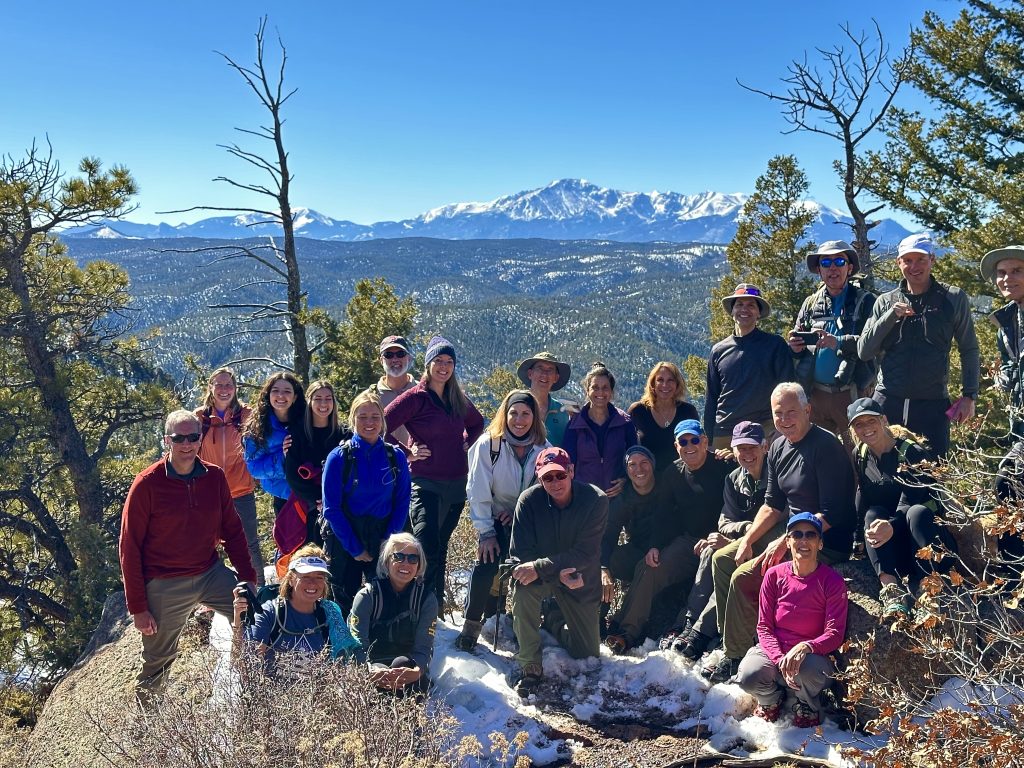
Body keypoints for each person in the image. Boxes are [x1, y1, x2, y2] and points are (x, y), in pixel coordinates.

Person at [704, 382, 856, 684]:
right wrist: (747, 540)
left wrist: (786, 540)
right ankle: (734, 641)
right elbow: (772, 504)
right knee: (723, 559)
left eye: (791, 412)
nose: (785, 419)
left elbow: (833, 513)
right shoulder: (778, 447)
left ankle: (737, 657)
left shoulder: (826, 447)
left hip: (823, 539)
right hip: (789, 531)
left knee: (743, 576)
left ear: (808, 410)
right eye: (778, 413)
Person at [120, 409, 258, 703]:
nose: (186, 444)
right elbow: (129, 546)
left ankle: (253, 692)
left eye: (193, 437)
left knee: (253, 614)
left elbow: (233, 530)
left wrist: (248, 578)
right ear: (166, 440)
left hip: (209, 573)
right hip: (165, 581)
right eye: (178, 438)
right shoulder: (147, 484)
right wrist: (138, 608)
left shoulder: (214, 477)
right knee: (158, 660)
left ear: (200, 439)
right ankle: (150, 729)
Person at [605, 420, 732, 653]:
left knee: (708, 573)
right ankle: (626, 631)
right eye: (683, 441)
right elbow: (664, 516)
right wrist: (655, 546)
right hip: (688, 542)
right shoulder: (674, 473)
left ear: (705, 441)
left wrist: (721, 537)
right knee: (650, 566)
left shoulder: (724, 467)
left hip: (720, 542)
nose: (689, 445)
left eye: (694, 440)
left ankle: (683, 630)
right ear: (676, 445)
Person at [384, 335, 485, 607]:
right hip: (425, 481)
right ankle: (415, 605)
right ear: (428, 364)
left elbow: (478, 423)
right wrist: (407, 452)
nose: (444, 366)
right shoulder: (416, 398)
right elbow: (381, 426)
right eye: (438, 361)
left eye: (449, 361)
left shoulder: (456, 397)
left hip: (456, 483)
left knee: (440, 547)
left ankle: (434, 607)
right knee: (424, 543)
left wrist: (468, 440)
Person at [858, 233, 979, 458]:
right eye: (908, 260)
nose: (914, 266)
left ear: (932, 259)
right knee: (883, 474)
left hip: (932, 404)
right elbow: (864, 351)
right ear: (899, 263)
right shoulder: (885, 301)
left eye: (921, 259)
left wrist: (969, 396)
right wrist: (890, 316)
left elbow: (969, 348)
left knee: (931, 478)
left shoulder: (952, 298)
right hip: (887, 402)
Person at [507, 447, 607, 697]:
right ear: (539, 478)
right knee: (522, 586)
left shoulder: (596, 499)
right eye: (547, 478)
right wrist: (550, 572)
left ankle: (552, 619)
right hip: (545, 577)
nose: (555, 483)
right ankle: (530, 663)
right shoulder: (528, 501)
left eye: (560, 475)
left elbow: (587, 553)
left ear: (571, 471)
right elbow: (520, 555)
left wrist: (546, 568)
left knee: (587, 653)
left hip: (578, 577)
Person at [667, 421, 769, 661]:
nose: (746, 454)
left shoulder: (775, 476)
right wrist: (743, 532)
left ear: (764, 447)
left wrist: (745, 535)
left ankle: (701, 632)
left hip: (765, 545)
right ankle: (688, 621)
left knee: (728, 564)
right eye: (740, 449)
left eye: (751, 447)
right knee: (712, 550)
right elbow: (725, 521)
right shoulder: (734, 478)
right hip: (745, 540)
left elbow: (773, 520)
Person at [456, 390, 549, 651]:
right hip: (495, 515)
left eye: (526, 414)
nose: (519, 420)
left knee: (525, 569)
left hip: (528, 519)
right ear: (504, 415)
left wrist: (521, 510)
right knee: (487, 562)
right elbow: (478, 490)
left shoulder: (544, 449)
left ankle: (524, 625)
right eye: (514, 413)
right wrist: (486, 532)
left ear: (535, 417)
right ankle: (471, 626)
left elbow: (546, 492)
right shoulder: (489, 445)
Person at [736, 512, 848, 729]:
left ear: (820, 544)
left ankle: (807, 703)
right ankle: (771, 699)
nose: (803, 541)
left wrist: (807, 646)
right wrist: (780, 660)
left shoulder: (832, 581)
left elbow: (835, 634)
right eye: (796, 535)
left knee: (809, 672)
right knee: (748, 675)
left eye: (810, 535)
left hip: (811, 658)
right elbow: (764, 627)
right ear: (788, 542)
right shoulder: (774, 575)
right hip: (775, 651)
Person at [848, 398, 957, 618]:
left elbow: (909, 501)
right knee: (873, 513)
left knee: (918, 512)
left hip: (928, 541)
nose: (866, 428)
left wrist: (890, 525)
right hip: (895, 547)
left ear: (884, 420)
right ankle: (893, 592)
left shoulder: (911, 453)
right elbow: (864, 497)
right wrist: (858, 539)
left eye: (872, 421)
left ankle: (928, 592)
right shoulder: (860, 455)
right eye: (859, 424)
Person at [321, 392, 411, 613]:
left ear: (383, 420)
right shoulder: (339, 457)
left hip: (383, 534)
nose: (369, 423)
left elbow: (402, 502)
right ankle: (342, 646)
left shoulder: (395, 456)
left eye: (374, 417)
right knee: (342, 599)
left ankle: (379, 645)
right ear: (352, 420)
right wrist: (355, 547)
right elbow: (331, 509)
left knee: (383, 597)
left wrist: (387, 542)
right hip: (345, 535)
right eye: (362, 417)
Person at [789, 241, 877, 454]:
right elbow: (796, 341)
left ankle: (858, 488)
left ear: (849, 268)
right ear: (819, 270)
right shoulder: (810, 304)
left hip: (852, 392)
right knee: (818, 454)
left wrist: (837, 342)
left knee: (857, 453)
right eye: (826, 262)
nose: (833, 268)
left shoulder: (865, 302)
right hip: (816, 394)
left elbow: (875, 344)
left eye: (839, 261)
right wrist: (795, 346)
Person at [231, 545, 361, 672]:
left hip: (320, 691)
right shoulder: (269, 613)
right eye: (305, 577)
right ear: (291, 580)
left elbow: (345, 662)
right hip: (274, 692)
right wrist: (238, 621)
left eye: (319, 577)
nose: (313, 583)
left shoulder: (330, 613)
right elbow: (245, 665)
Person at [195, 367, 265, 585]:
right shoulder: (200, 418)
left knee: (249, 544)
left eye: (229, 385)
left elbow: (262, 445)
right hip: (209, 493)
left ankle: (258, 590)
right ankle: (211, 595)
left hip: (241, 491)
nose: (224, 390)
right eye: (219, 385)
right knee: (206, 544)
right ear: (210, 388)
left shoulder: (246, 415)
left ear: (235, 388)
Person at [705, 283, 793, 449]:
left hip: (763, 428)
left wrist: (781, 429)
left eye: (751, 305)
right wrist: (708, 439)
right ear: (732, 311)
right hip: (724, 431)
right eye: (739, 305)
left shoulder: (774, 345)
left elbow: (787, 390)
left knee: (764, 475)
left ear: (758, 313)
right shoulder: (718, 351)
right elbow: (712, 398)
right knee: (725, 475)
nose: (744, 309)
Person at [349, 533, 437, 694]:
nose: (406, 563)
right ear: (386, 561)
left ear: (419, 565)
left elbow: (424, 647)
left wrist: (417, 670)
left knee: (402, 664)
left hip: (407, 666)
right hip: (371, 665)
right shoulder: (367, 596)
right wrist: (369, 670)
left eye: (412, 559)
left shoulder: (426, 599)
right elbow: (357, 643)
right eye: (398, 557)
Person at [980, 245, 1024, 574]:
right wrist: (1005, 376)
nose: (1007, 278)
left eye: (1016, 271)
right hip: (1018, 425)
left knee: (1007, 481)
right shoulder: (1006, 321)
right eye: (1002, 272)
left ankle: (1011, 572)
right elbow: (1012, 365)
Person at [600, 446, 661, 631]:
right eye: (632, 465)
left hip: (667, 549)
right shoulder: (623, 499)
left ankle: (624, 624)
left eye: (644, 463)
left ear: (653, 465)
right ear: (626, 471)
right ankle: (598, 618)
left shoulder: (667, 486)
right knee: (611, 560)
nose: (639, 469)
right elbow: (608, 535)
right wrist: (603, 569)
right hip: (638, 551)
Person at [285, 380, 347, 546]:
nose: (323, 403)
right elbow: (292, 474)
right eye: (318, 398)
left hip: (339, 507)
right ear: (309, 401)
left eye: (328, 398)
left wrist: (332, 499)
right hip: (307, 507)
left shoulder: (344, 434)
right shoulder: (297, 433)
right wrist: (318, 498)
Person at [563, 362, 638, 498]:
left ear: (611, 391)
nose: (600, 393)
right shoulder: (575, 425)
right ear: (587, 390)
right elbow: (567, 465)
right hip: (585, 500)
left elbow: (635, 456)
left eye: (605, 388)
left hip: (618, 500)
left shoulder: (624, 422)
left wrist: (626, 481)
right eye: (595, 388)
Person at [243, 372, 305, 514]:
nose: (281, 396)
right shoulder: (258, 427)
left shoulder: (306, 421)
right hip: (282, 495)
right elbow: (254, 468)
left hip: (311, 491)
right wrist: (283, 457)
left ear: (295, 397)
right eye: (275, 391)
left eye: (287, 391)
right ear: (268, 395)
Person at [628, 362, 700, 472]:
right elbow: (625, 447)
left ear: (677, 384)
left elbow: (700, 445)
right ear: (652, 384)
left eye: (670, 380)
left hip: (680, 479)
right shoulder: (638, 411)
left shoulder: (687, 411)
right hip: (646, 480)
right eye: (660, 380)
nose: (665, 385)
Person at [517, 351, 575, 447]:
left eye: (550, 370)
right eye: (540, 368)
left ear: (556, 378)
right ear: (530, 373)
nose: (544, 374)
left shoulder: (563, 413)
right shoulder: (515, 407)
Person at [373, 335, 417, 446]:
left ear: (409, 358)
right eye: (388, 355)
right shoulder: (371, 397)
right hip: (382, 461)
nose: (395, 359)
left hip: (419, 462)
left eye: (400, 354)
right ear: (381, 360)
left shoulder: (423, 392)